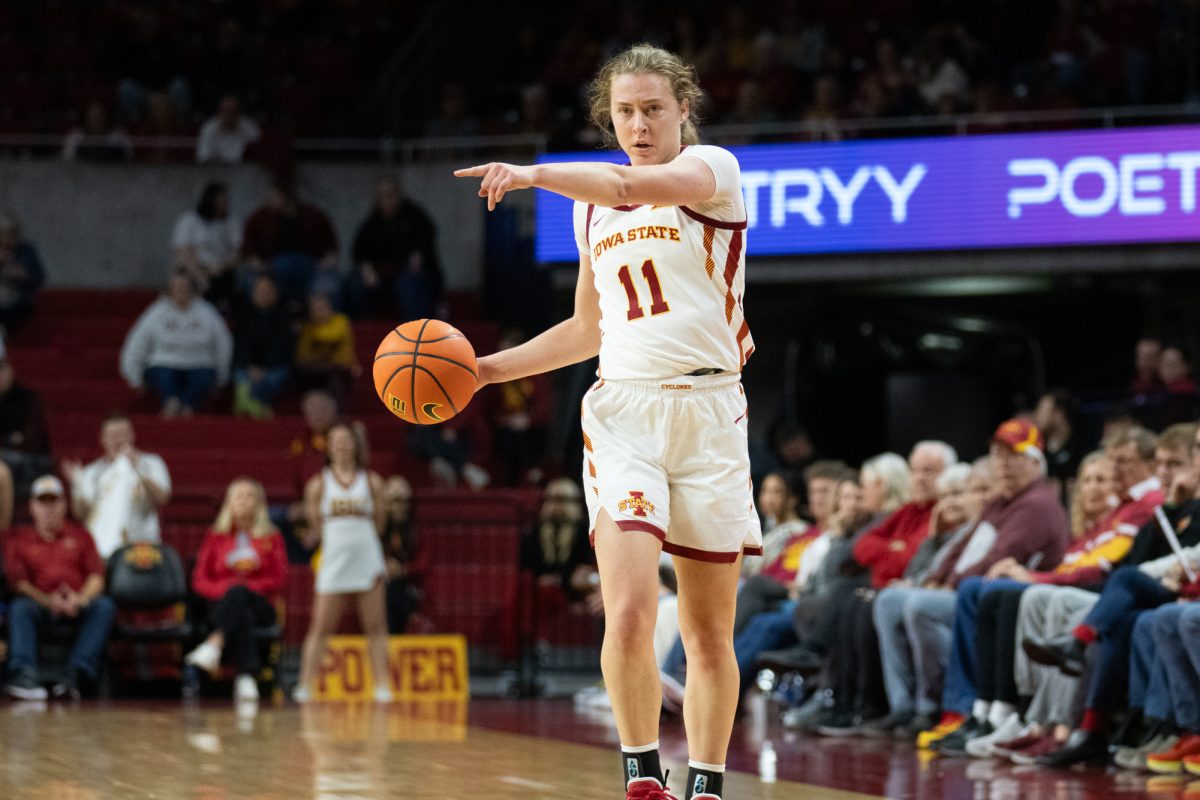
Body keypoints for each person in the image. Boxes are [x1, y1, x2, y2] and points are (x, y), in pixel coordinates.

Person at [455, 43, 759, 800]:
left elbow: (628, 183)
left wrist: (529, 175)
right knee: (626, 609)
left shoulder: (712, 172)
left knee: (708, 633)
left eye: (653, 108)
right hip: (623, 409)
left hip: (711, 413)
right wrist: (485, 371)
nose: (638, 123)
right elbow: (587, 330)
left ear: (683, 109)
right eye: (624, 111)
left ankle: (709, 784)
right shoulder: (592, 209)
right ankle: (641, 773)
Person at [293, 423, 391, 704]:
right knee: (321, 626)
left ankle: (382, 684)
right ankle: (305, 684)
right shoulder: (318, 484)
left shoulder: (371, 481)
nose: (341, 445)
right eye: (335, 440)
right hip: (335, 558)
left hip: (367, 557)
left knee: (375, 624)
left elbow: (381, 522)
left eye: (346, 440)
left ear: (356, 445)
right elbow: (315, 524)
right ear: (327, 446)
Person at [3, 475, 116, 701]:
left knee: (104, 606)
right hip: (39, 604)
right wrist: (47, 601)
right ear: (32, 507)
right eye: (43, 502)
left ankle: (76, 674)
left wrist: (80, 599)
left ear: (64, 505)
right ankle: (24, 674)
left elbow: (96, 576)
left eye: (54, 501)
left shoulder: (81, 535)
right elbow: (20, 584)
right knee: (18, 608)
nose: (49, 508)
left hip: (77, 603)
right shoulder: (19, 540)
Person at [184, 478, 288, 702]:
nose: (244, 500)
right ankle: (245, 676)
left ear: (260, 503)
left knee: (240, 596)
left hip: (261, 604)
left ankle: (214, 644)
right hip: (221, 603)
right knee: (239, 606)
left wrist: (244, 587)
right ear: (228, 502)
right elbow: (199, 580)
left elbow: (279, 578)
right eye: (239, 496)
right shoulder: (215, 536)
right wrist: (226, 589)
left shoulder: (272, 536)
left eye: (250, 496)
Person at [119, 270, 233, 417]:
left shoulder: (207, 312)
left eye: (185, 286)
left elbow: (223, 344)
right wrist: (133, 376)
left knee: (204, 378)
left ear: (193, 289)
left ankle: (187, 406)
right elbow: (137, 343)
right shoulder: (156, 312)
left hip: (199, 363)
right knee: (164, 376)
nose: (181, 290)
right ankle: (171, 403)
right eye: (177, 287)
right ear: (169, 290)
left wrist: (223, 375)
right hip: (165, 362)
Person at [62, 414, 171, 559]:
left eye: (123, 434)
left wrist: (137, 466)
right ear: (102, 439)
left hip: (139, 547)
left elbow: (162, 498)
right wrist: (76, 485)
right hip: (100, 548)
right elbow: (81, 514)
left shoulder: (151, 463)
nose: (119, 440)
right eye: (113, 435)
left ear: (133, 435)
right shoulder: (91, 472)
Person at [349, 176, 445, 321]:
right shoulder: (372, 221)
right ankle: (362, 329)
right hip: (381, 276)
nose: (386, 200)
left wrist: (417, 256)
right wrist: (367, 269)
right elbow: (359, 251)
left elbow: (425, 241)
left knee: (408, 285)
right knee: (356, 284)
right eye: (381, 196)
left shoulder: (414, 215)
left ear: (398, 194)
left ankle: (417, 330)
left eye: (390, 195)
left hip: (407, 273)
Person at [241, 179, 340, 309]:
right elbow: (248, 248)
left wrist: (329, 259)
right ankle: (286, 308)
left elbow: (331, 243)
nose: (270, 200)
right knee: (281, 267)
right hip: (274, 266)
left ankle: (305, 309)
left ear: (286, 197)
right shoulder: (261, 218)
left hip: (310, 264)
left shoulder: (312, 215)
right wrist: (255, 261)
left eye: (275, 196)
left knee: (327, 282)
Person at [487, 329, 553, 486]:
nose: (502, 356)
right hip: (505, 428)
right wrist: (505, 420)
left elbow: (544, 407)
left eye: (507, 352)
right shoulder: (495, 377)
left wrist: (528, 419)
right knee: (508, 438)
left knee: (529, 436)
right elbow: (490, 407)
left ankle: (534, 474)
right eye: (500, 352)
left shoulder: (536, 374)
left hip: (531, 428)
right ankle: (506, 484)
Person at [171, 181, 242, 309]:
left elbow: (238, 252)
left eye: (225, 202)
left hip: (222, 270)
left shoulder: (231, 221)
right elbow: (183, 252)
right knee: (187, 281)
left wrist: (221, 267)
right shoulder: (190, 220)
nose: (223, 206)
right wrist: (199, 275)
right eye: (219, 202)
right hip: (194, 270)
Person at [232, 275, 293, 418]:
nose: (264, 295)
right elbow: (240, 347)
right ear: (252, 293)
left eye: (268, 291)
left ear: (276, 293)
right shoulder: (243, 316)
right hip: (247, 368)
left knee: (275, 378)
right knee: (240, 377)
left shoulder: (283, 317)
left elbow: (282, 349)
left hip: (273, 368)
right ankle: (260, 411)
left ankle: (248, 404)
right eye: (260, 291)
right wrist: (250, 367)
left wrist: (264, 370)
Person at [293, 292, 360, 407]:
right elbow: (302, 354)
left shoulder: (341, 321)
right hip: (314, 367)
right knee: (299, 370)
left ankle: (338, 410)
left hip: (338, 365)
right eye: (316, 309)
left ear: (331, 308)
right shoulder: (308, 327)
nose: (320, 312)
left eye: (323, 308)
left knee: (335, 375)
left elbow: (336, 339)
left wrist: (313, 332)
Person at [0, 350, 52, 493]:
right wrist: (10, 438)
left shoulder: (28, 398)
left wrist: (10, 441)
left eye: (2, 369)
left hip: (31, 459)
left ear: (11, 371)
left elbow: (32, 438)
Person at [381, 475, 426, 634]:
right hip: (381, 582)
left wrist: (402, 570)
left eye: (404, 501)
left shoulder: (416, 531)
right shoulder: (379, 530)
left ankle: (392, 637)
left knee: (394, 588)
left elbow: (424, 563)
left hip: (410, 585)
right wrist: (384, 567)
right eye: (395, 501)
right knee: (389, 588)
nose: (400, 507)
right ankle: (411, 619)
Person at [0, 212, 46, 334]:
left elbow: (39, 277)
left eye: (11, 235)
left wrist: (24, 275)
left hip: (17, 301)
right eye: (3, 235)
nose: (7, 240)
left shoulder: (26, 251)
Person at [195, 94, 261, 164]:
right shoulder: (209, 128)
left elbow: (258, 153)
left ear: (238, 113)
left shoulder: (249, 127)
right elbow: (203, 157)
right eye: (226, 111)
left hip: (243, 170)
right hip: (216, 170)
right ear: (219, 112)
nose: (229, 115)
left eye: (233, 111)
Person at [61, 100, 132, 162]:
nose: (97, 120)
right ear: (86, 118)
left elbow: (129, 160)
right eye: (93, 117)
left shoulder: (118, 137)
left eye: (100, 116)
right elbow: (67, 162)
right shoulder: (75, 137)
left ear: (106, 117)